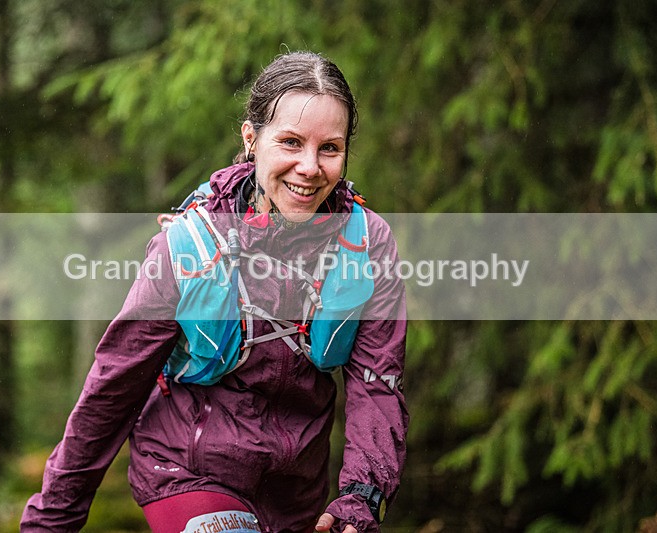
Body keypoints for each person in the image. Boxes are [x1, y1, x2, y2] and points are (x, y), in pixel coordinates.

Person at [21, 51, 408, 533]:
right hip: (187, 470)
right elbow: (114, 386)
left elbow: (378, 383)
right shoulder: (188, 246)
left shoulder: (368, 244)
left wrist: (360, 498)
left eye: (329, 148)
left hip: (296, 492)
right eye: (290, 142)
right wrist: (52, 518)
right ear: (252, 138)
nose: (309, 167)